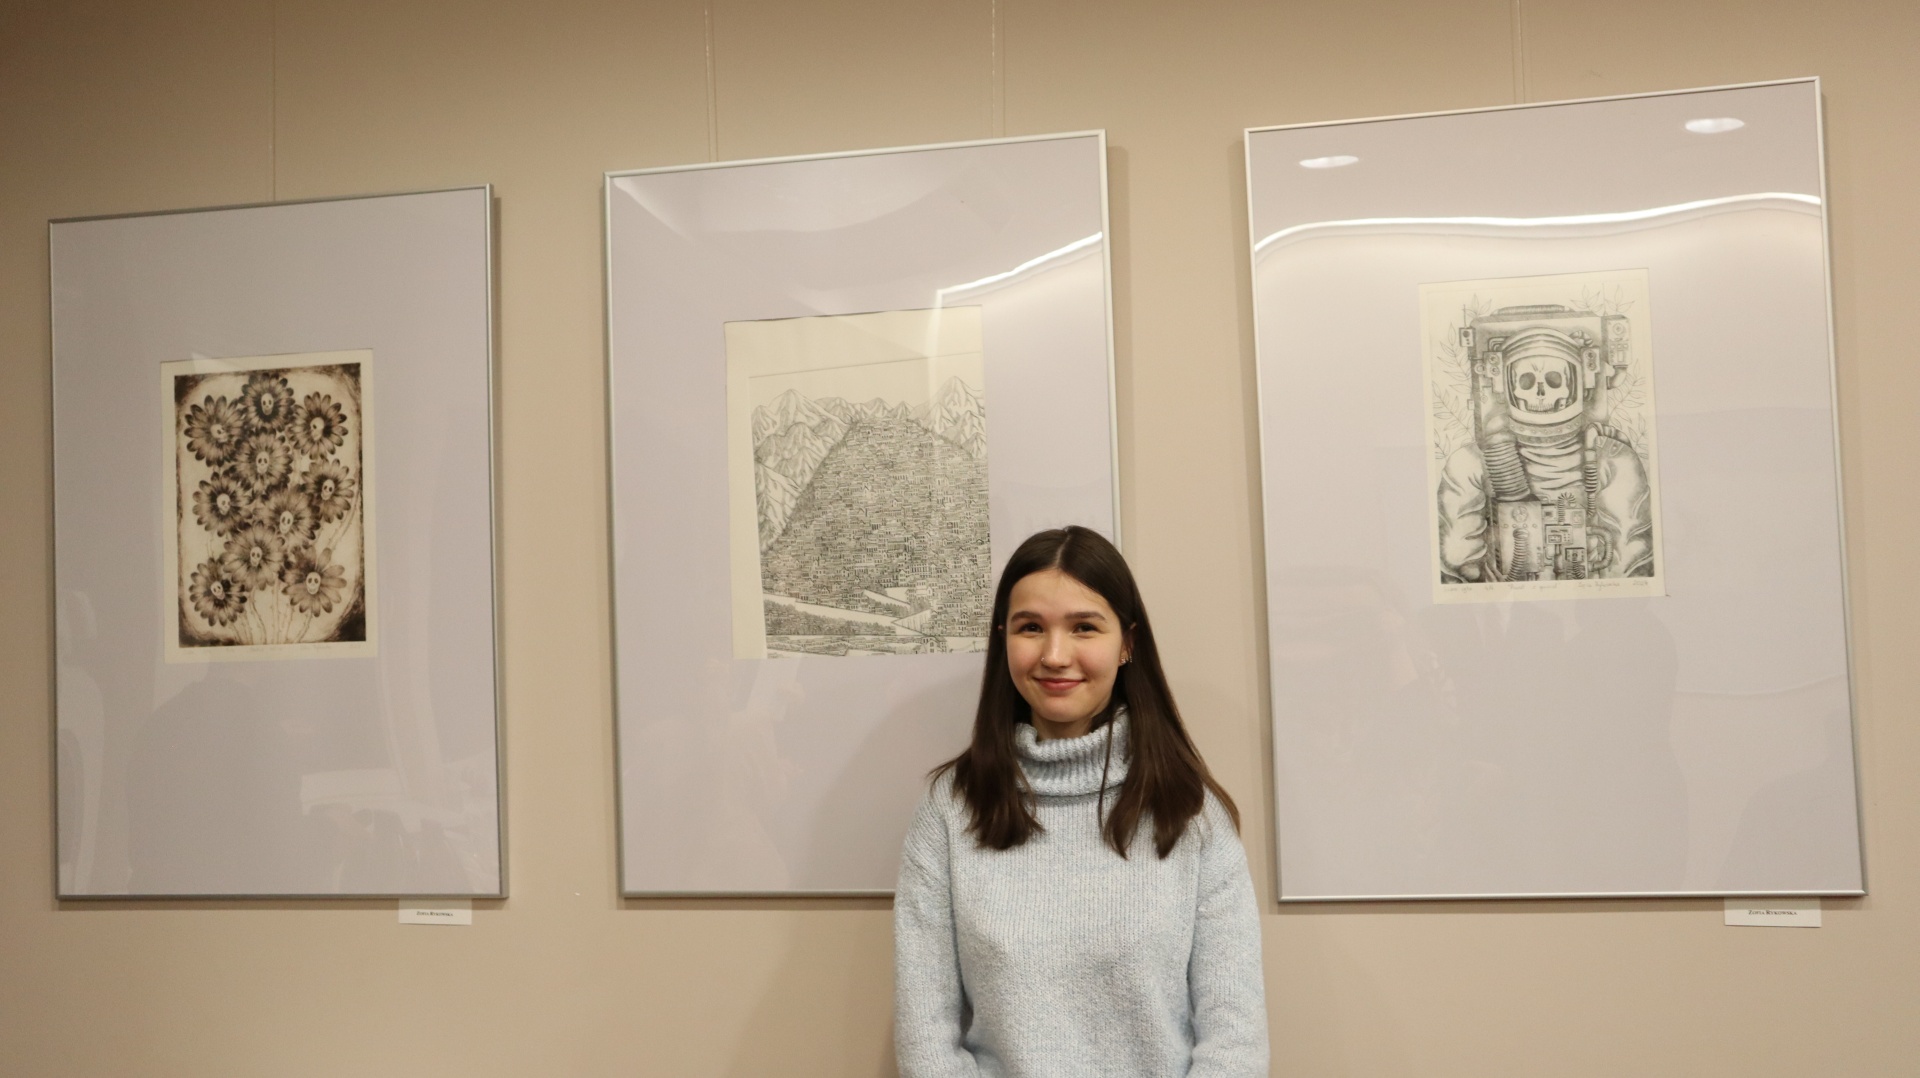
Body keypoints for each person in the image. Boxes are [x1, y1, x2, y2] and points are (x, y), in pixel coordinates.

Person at [893, 526, 1268, 1078]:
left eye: (1084, 627)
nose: (1054, 655)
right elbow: (925, 1038)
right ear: (1003, 639)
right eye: (1030, 628)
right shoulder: (950, 810)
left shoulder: (1191, 812)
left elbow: (1235, 1039)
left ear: (1127, 643)